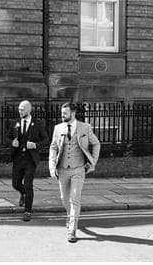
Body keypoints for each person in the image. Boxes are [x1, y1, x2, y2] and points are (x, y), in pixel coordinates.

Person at [48, 101, 101, 243]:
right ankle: (70, 215)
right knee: (64, 199)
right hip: (62, 169)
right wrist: (52, 167)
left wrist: (93, 161)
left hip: (79, 169)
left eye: (64, 113)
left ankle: (72, 229)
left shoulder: (85, 127)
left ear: (73, 113)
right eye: (61, 113)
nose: (62, 115)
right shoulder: (58, 128)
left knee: (74, 198)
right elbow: (53, 147)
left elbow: (96, 143)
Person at [8, 99, 49, 221]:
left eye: (22, 109)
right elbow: (7, 137)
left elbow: (46, 140)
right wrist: (12, 142)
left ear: (29, 110)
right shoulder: (15, 122)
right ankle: (23, 194)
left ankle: (28, 211)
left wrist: (35, 145)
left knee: (28, 185)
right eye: (19, 109)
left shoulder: (38, 124)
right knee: (15, 184)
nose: (20, 111)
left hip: (30, 159)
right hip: (18, 158)